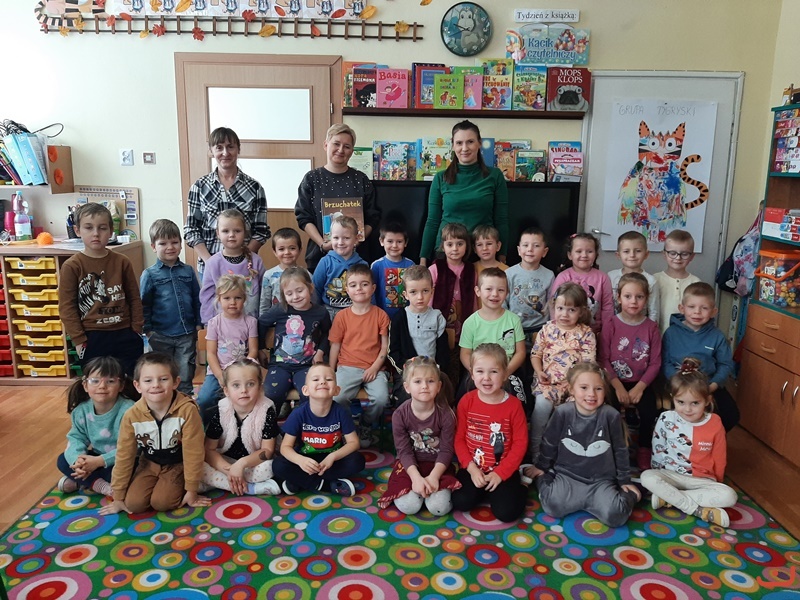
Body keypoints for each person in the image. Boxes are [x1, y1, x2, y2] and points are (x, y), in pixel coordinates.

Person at [528, 362, 642, 528]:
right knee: (552, 506)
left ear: (605, 391)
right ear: (571, 389)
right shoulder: (563, 412)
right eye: (584, 388)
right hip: (568, 476)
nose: (591, 394)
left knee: (615, 516)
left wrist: (624, 480)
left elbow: (620, 450)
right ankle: (546, 477)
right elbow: (550, 442)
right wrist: (541, 466)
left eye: (598, 389)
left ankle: (634, 493)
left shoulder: (611, 415)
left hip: (601, 481)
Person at [100, 353, 210, 515]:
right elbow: (124, 454)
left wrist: (191, 489)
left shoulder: (187, 410)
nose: (156, 385)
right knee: (134, 504)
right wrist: (118, 496)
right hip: (149, 463)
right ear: (137, 386)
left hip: (177, 463)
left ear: (175, 382)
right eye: (148, 380)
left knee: (162, 503)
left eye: (163, 379)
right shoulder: (131, 415)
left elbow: (193, 452)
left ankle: (194, 483)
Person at [641, 357, 737, 527]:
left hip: (702, 480)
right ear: (673, 398)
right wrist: (658, 473)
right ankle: (696, 509)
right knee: (646, 477)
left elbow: (720, 456)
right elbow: (658, 448)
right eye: (680, 402)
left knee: (730, 496)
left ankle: (669, 498)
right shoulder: (666, 418)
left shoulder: (715, 422)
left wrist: (717, 482)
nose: (687, 409)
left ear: (707, 401)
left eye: (695, 403)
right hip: (670, 475)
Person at [58, 203, 144, 377]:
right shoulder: (72, 266)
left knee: (129, 382)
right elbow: (67, 307)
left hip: (125, 332)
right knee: (98, 383)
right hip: (92, 336)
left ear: (111, 231)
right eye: (89, 228)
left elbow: (134, 297)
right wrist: (79, 339)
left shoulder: (122, 261)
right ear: (77, 230)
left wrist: (136, 328)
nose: (96, 233)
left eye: (102, 228)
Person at [451, 343, 528, 523]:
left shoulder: (514, 405)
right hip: (473, 468)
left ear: (505, 374)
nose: (486, 378)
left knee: (506, 513)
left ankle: (523, 485)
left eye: (493, 372)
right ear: (472, 374)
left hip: (504, 469)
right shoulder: (466, 401)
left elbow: (520, 443)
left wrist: (500, 473)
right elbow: (459, 439)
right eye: (480, 371)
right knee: (460, 501)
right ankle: (485, 491)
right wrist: (471, 469)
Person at [419, 120, 509, 265]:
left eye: (470, 142)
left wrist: (502, 256)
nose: (464, 148)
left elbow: (501, 219)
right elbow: (432, 221)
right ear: (453, 145)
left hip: (482, 252)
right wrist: (423, 260)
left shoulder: (495, 176)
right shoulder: (440, 178)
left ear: (479, 143)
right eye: (459, 143)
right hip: (447, 252)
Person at [378, 357, 459, 515]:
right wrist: (416, 478)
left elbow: (447, 450)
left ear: (439, 386)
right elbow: (404, 451)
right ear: (407, 387)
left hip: (438, 465)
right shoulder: (400, 415)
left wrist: (434, 477)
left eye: (430, 381)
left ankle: (427, 492)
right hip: (410, 465)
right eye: (417, 381)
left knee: (439, 508)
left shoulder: (446, 415)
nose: (424, 386)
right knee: (409, 506)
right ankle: (418, 490)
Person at [526, 282, 596, 467]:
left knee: (571, 417)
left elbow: (588, 365)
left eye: (571, 310)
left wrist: (576, 386)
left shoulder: (585, 334)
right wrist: (539, 371)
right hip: (547, 384)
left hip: (573, 387)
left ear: (581, 311)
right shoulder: (547, 329)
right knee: (541, 411)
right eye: (560, 308)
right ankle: (536, 453)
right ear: (553, 307)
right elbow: (536, 355)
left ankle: (566, 455)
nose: (564, 314)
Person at [184, 126, 270, 275]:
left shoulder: (255, 188)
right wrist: (210, 262)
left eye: (230, 147)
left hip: (244, 269)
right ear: (211, 151)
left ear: (238, 149)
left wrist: (240, 261)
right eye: (219, 147)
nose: (225, 153)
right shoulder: (199, 187)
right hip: (209, 268)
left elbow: (261, 231)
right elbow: (191, 229)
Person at [295, 123, 381, 272]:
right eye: (336, 144)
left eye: (347, 146)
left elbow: (373, 217)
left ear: (352, 151)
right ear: (326, 145)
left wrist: (356, 241)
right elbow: (303, 217)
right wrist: (323, 244)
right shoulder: (311, 179)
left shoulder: (361, 180)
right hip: (320, 257)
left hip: (357, 259)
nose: (341, 150)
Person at [272, 363, 366, 497]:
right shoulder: (298, 413)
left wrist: (333, 457)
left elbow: (354, 443)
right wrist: (300, 460)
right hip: (306, 460)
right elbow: (285, 447)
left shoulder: (341, 411)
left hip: (331, 460)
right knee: (278, 465)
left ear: (337, 390)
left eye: (328, 379)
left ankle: (299, 481)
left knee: (357, 461)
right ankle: (325, 484)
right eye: (316, 379)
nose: (322, 382)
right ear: (305, 390)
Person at [599, 273, 662, 470]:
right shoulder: (611, 325)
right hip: (614, 381)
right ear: (619, 298)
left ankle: (644, 448)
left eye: (639, 297)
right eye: (628, 296)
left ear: (646, 299)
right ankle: (614, 448)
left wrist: (640, 388)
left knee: (649, 411)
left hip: (641, 382)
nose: (633, 301)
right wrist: (617, 387)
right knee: (609, 410)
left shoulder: (651, 328)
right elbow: (603, 359)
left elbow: (655, 363)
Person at [661, 282, 739, 431]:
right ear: (682, 308)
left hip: (709, 385)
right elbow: (665, 363)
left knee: (731, 415)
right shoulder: (671, 333)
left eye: (704, 308)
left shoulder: (717, 336)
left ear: (713, 311)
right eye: (691, 307)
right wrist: (678, 383)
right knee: (680, 417)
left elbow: (725, 364)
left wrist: (712, 386)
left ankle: (708, 439)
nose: (697, 312)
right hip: (678, 386)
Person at [329, 264, 391, 448]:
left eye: (364, 284)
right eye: (353, 285)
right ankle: (349, 427)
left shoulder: (381, 315)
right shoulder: (341, 316)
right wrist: (331, 372)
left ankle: (365, 424)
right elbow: (335, 346)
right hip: (347, 366)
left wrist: (375, 368)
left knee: (382, 399)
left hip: (374, 367)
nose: (359, 289)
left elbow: (385, 347)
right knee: (337, 397)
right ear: (347, 290)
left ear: (373, 288)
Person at [56, 357, 137, 496]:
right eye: (95, 381)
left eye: (110, 381)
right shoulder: (81, 411)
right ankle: (99, 485)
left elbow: (133, 447)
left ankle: (83, 482)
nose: (102, 386)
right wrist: (79, 461)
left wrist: (100, 461)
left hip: (123, 459)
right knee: (63, 460)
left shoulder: (130, 410)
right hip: (96, 458)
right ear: (85, 385)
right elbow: (76, 438)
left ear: (121, 385)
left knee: (131, 473)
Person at [201, 359, 281, 496]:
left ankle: (220, 484)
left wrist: (241, 464)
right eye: (236, 385)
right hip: (226, 461)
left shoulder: (266, 410)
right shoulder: (222, 410)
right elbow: (209, 449)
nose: (244, 390)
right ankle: (249, 487)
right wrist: (229, 470)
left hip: (252, 463)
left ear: (260, 388)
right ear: (226, 391)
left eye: (250, 384)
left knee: (271, 467)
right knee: (197, 466)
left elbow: (267, 451)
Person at [140, 219, 201, 397]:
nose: (170, 247)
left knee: (185, 372)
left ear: (181, 244)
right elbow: (144, 304)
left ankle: (185, 402)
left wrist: (198, 324)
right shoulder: (149, 274)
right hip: (160, 334)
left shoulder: (188, 271)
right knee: (161, 373)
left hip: (186, 333)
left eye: (174, 242)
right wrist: (148, 331)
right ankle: (163, 402)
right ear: (153, 246)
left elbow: (197, 299)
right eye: (163, 243)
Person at [259, 267, 331, 417]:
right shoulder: (280, 310)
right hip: (280, 365)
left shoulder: (320, 312)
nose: (295, 297)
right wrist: (260, 349)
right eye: (289, 293)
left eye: (299, 290)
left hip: (306, 366)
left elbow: (327, 333)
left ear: (310, 288)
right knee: (271, 393)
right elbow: (261, 323)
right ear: (283, 295)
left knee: (309, 393)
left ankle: (303, 424)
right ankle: (271, 427)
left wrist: (320, 352)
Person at [459, 268, 528, 406]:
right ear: (478, 291)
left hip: (507, 370)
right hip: (478, 372)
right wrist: (475, 372)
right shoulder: (470, 322)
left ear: (507, 293)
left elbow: (520, 352)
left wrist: (506, 372)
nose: (495, 294)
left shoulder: (513, 320)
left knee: (519, 398)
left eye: (501, 290)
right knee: (462, 397)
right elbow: (465, 354)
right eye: (489, 289)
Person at [197, 274, 259, 423]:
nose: (232, 302)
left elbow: (253, 351)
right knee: (205, 399)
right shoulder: (214, 323)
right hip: (218, 372)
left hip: (242, 372)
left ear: (244, 299)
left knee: (250, 398)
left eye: (237, 298)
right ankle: (209, 428)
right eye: (227, 298)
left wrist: (243, 371)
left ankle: (245, 426)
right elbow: (211, 354)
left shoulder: (250, 322)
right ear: (219, 299)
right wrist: (220, 376)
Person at [505, 227, 554, 414]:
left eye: (536, 246)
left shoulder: (549, 275)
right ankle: (520, 408)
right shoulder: (510, 273)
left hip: (539, 331)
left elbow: (552, 303)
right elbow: (504, 302)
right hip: (515, 330)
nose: (530, 250)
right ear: (519, 250)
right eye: (525, 245)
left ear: (545, 251)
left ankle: (535, 409)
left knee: (536, 370)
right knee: (518, 370)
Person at [387, 266, 450, 404]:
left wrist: (437, 370)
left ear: (432, 291)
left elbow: (443, 350)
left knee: (442, 396)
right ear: (406, 295)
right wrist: (406, 367)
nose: (420, 297)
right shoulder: (399, 318)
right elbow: (392, 351)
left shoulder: (437, 317)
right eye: (413, 292)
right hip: (409, 373)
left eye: (425, 291)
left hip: (433, 372)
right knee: (406, 398)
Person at [429, 222, 476, 385]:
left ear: (466, 246)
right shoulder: (435, 268)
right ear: (443, 246)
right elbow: (428, 298)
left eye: (459, 244)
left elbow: (475, 300)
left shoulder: (471, 270)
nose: (455, 249)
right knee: (442, 367)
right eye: (450, 244)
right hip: (439, 330)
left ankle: (457, 396)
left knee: (459, 368)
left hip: (463, 330)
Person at [199, 208, 265, 323]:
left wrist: (264, 321)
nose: (231, 235)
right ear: (218, 233)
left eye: (237, 231)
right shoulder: (212, 263)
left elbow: (264, 293)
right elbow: (207, 297)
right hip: (222, 325)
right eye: (225, 231)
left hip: (251, 324)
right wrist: (208, 323)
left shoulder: (256, 261)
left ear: (245, 232)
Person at [550, 232, 614, 337]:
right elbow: (554, 305)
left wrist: (606, 332)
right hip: (566, 333)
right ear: (570, 255)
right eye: (579, 251)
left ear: (596, 254)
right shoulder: (563, 277)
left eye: (589, 251)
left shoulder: (603, 278)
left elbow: (607, 307)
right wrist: (556, 329)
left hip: (594, 332)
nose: (584, 255)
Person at [312, 215, 368, 319]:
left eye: (346, 238)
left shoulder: (362, 265)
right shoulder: (325, 262)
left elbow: (368, 292)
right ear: (330, 238)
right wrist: (315, 313)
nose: (340, 242)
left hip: (355, 312)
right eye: (336, 238)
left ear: (356, 239)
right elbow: (316, 289)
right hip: (329, 311)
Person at [654, 229, 700, 333]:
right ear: (664, 254)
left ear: (692, 256)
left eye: (684, 254)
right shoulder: (655, 279)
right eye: (672, 253)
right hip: (659, 336)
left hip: (685, 337)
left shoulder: (696, 283)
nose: (678, 258)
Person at [608, 231, 659, 322]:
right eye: (626, 251)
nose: (632, 255)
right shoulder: (611, 277)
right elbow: (607, 306)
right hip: (615, 325)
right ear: (618, 255)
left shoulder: (651, 280)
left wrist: (652, 328)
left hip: (641, 327)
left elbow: (653, 311)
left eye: (638, 251)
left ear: (646, 254)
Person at [371, 222, 414, 320]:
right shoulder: (376, 265)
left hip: (406, 317)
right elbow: (371, 292)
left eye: (399, 241)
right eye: (390, 241)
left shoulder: (410, 265)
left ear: (405, 243)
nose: (394, 245)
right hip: (382, 316)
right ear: (382, 241)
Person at [259, 227, 303, 314]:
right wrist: (263, 320)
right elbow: (265, 304)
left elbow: (312, 302)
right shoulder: (269, 275)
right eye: (281, 249)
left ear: (300, 250)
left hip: (300, 319)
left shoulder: (305, 275)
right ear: (275, 252)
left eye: (292, 248)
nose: (287, 252)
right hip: (276, 320)